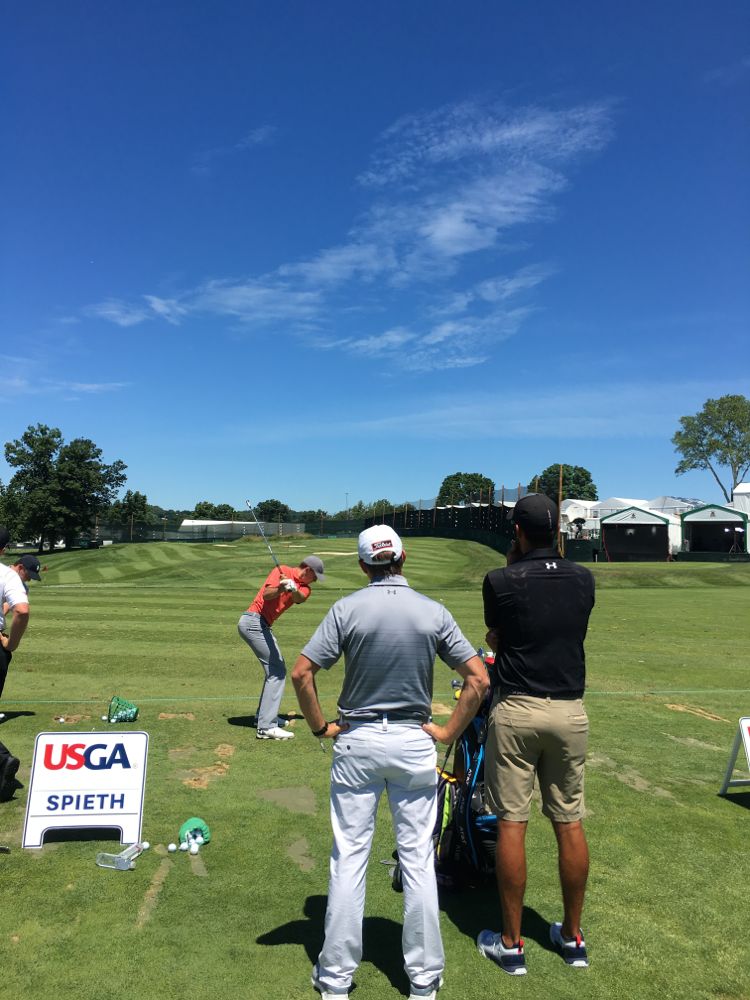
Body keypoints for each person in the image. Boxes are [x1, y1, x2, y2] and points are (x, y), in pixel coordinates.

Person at [292, 525, 489, 1000]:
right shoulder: (432, 611)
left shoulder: (346, 609)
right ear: (404, 558)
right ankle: (424, 981)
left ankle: (336, 979)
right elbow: (478, 681)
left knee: (349, 859)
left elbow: (301, 673)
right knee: (418, 860)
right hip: (412, 743)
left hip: (357, 742)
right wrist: (446, 732)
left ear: (364, 565)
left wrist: (321, 728)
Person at [478, 494, 595, 975]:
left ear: (519, 533)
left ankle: (511, 944)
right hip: (569, 711)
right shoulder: (584, 578)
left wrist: (512, 563)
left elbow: (499, 634)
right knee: (569, 822)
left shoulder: (500, 579)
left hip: (517, 708)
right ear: (559, 532)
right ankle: (571, 937)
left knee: (512, 821)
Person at [238, 555, 325, 741]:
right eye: (315, 576)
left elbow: (299, 597)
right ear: (308, 569)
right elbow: (267, 594)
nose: (315, 581)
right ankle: (266, 726)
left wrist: (292, 588)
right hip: (253, 622)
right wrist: (281, 587)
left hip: (261, 625)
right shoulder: (282, 570)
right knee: (277, 671)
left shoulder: (305, 588)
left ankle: (262, 718)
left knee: (275, 670)